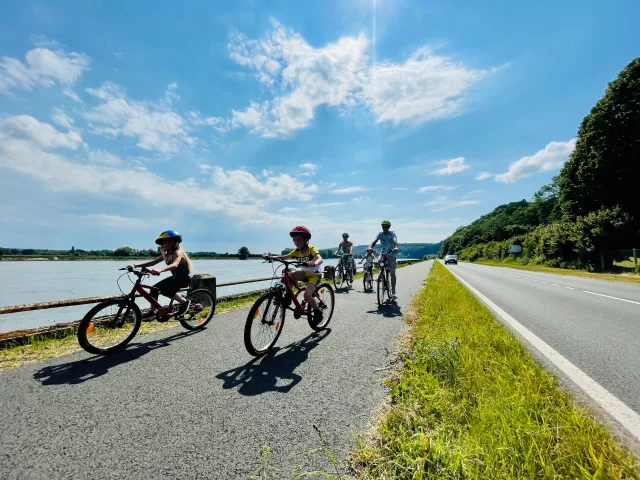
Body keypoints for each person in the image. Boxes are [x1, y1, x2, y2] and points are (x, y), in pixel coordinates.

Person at [263, 226, 324, 325]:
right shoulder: (296, 251)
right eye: (294, 240)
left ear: (306, 240)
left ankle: (318, 312)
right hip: (305, 273)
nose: (296, 242)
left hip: (314, 275)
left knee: (307, 295)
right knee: (288, 275)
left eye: (299, 240)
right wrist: (271, 257)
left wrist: (314, 263)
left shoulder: (311, 248)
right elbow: (285, 257)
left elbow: (319, 258)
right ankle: (288, 297)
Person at [128, 230, 193, 320]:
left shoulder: (178, 253)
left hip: (183, 280)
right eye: (161, 243)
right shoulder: (167, 254)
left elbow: (175, 265)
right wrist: (135, 265)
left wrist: (160, 270)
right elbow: (152, 262)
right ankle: (152, 312)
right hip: (174, 278)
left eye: (164, 242)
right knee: (154, 289)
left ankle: (184, 302)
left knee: (166, 291)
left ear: (174, 242)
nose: (162, 245)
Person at [369, 220, 399, 300]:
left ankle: (393, 292)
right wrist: (370, 247)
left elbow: (395, 240)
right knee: (377, 261)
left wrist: (395, 247)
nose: (384, 228)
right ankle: (380, 276)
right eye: (383, 226)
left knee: (392, 273)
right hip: (383, 253)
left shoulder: (392, 234)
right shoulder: (380, 234)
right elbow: (374, 241)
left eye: (386, 226)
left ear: (389, 227)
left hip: (391, 254)